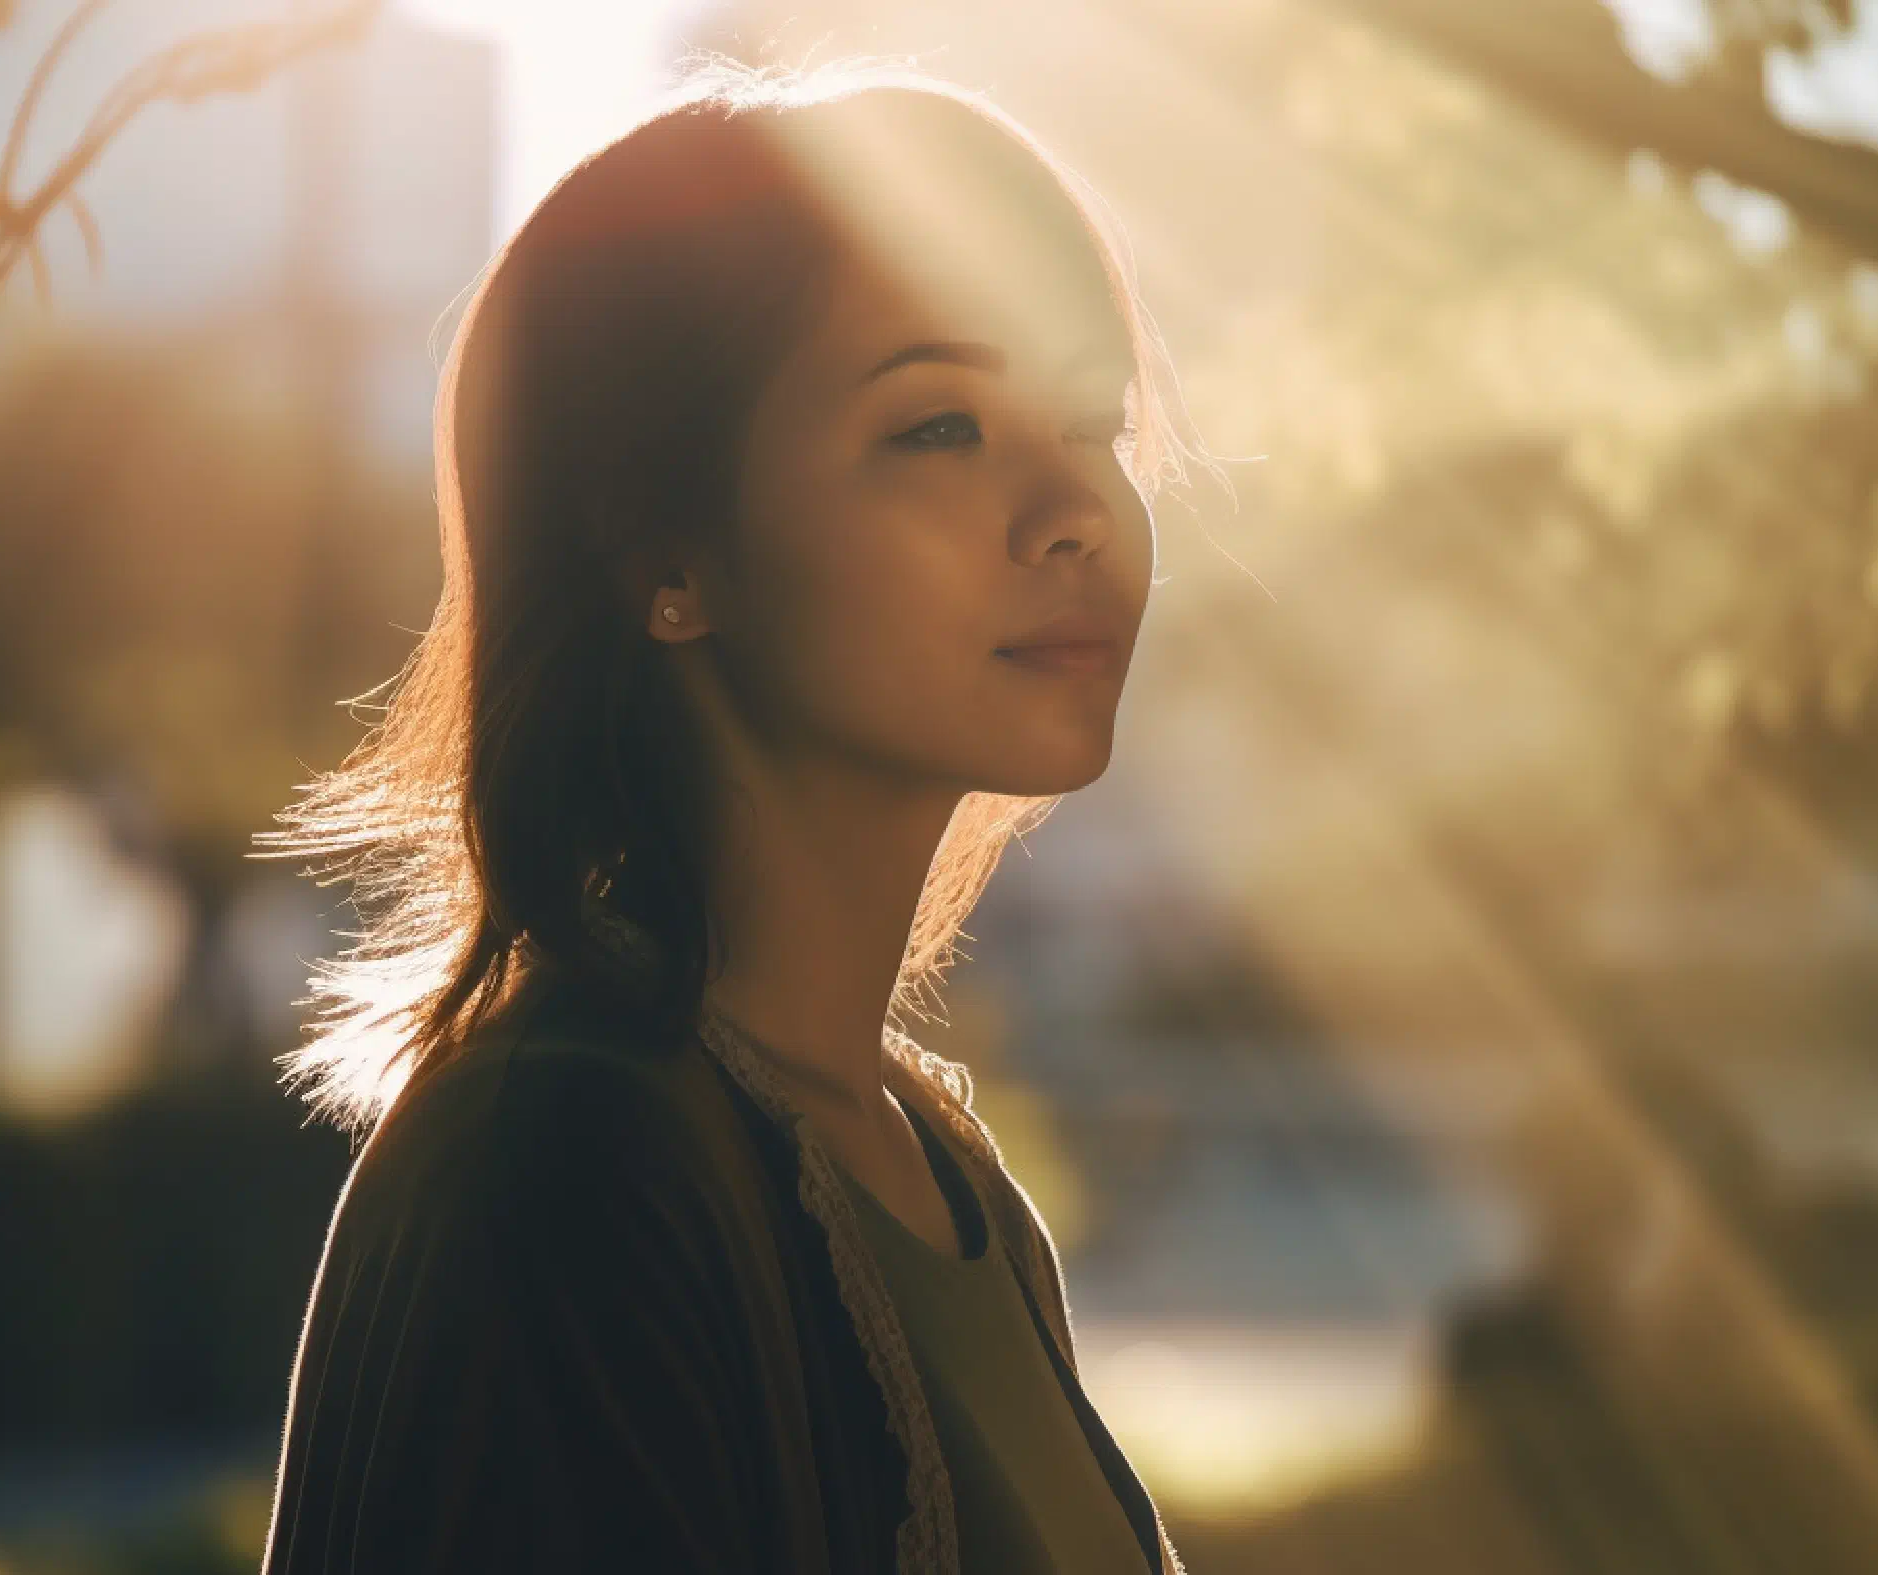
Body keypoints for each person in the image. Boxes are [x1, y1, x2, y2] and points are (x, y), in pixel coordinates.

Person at [256, 55, 1198, 1575]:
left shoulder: (946, 1176)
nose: (1076, 510)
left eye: (1096, 420)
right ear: (667, 551)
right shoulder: (571, 1168)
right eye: (940, 426)